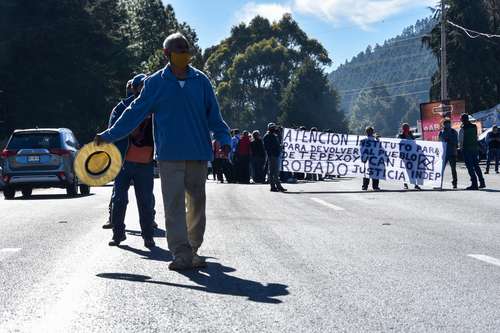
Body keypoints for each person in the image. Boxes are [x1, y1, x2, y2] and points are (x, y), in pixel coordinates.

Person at [95, 32, 231, 271]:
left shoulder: (201, 81)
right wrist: (108, 135)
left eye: (186, 49)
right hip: (169, 155)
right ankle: (180, 253)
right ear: (166, 54)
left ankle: (193, 248)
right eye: (179, 50)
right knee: (174, 205)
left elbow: (215, 117)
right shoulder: (156, 83)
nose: (184, 54)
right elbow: (134, 113)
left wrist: (224, 139)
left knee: (197, 203)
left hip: (198, 153)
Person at [102, 74, 156, 248]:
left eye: (146, 86)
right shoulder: (121, 108)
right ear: (133, 88)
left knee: (145, 201)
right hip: (123, 162)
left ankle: (148, 236)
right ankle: (118, 235)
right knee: (119, 200)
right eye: (140, 86)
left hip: (145, 162)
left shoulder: (155, 107)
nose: (143, 89)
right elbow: (113, 131)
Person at [459, 114, 486, 190]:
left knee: (470, 167)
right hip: (474, 148)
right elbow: (476, 137)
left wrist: (461, 149)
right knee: (476, 166)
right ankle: (482, 182)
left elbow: (461, 141)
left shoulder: (463, 129)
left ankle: (474, 184)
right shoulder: (474, 127)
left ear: (462, 120)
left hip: (467, 149)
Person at [263, 123, 287, 192]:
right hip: (272, 156)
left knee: (275, 172)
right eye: (273, 127)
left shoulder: (273, 135)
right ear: (269, 128)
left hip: (275, 155)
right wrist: (277, 148)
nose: (274, 129)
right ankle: (274, 186)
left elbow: (277, 143)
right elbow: (267, 147)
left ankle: (277, 186)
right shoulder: (267, 136)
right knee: (273, 172)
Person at [398, 123, 421, 190]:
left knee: (413, 170)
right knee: (405, 171)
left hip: (412, 155)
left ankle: (415, 184)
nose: (406, 128)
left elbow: (414, 143)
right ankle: (405, 184)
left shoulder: (411, 135)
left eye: (407, 127)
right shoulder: (400, 136)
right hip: (405, 156)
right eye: (404, 127)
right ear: (402, 128)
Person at [438, 119, 458, 188]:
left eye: (449, 124)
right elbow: (439, 142)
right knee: (441, 169)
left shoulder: (453, 132)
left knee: (453, 169)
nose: (447, 125)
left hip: (452, 152)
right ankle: (439, 182)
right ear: (444, 125)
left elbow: (456, 142)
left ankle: (455, 183)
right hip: (444, 153)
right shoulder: (441, 132)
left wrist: (449, 141)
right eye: (446, 124)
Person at [361, 126, 381, 191]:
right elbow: (380, 148)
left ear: (366, 132)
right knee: (374, 172)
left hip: (367, 158)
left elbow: (361, 149)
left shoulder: (363, 140)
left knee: (367, 172)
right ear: (373, 132)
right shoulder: (375, 140)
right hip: (374, 159)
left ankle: (365, 186)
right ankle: (375, 186)